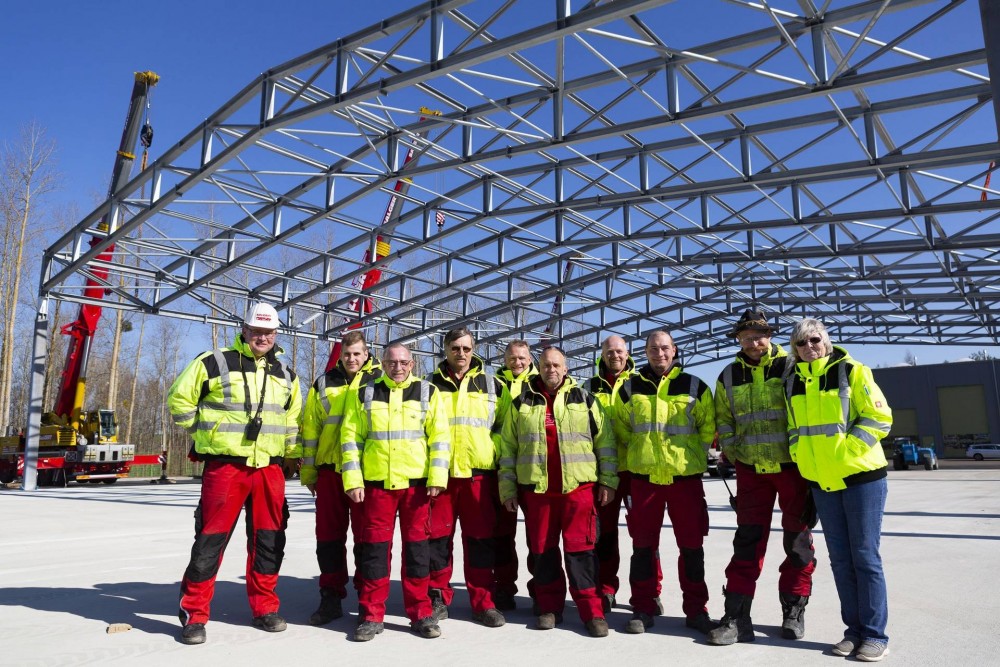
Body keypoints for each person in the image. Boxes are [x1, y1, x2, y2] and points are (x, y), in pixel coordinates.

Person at [167, 302, 302, 646]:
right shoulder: (213, 361)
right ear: (244, 330)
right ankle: (194, 614)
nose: (262, 337)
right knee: (211, 539)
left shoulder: (286, 374)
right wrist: (204, 434)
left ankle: (265, 608)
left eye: (268, 332)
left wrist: (290, 456)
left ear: (276, 334)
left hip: (269, 468)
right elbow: (179, 401)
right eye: (256, 331)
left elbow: (292, 421)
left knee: (269, 541)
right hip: (226, 466)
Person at [784, 319, 892, 662]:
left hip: (862, 479)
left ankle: (875, 635)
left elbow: (879, 418)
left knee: (865, 557)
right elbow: (793, 429)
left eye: (814, 339)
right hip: (823, 484)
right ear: (794, 349)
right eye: (800, 343)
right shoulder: (793, 382)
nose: (808, 347)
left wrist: (844, 454)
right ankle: (854, 631)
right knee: (841, 561)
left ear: (825, 341)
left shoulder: (852, 371)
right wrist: (802, 458)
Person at [708, 309, 816, 646]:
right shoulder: (727, 376)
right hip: (751, 471)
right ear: (738, 340)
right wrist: (732, 447)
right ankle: (738, 618)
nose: (754, 343)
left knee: (797, 544)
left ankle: (793, 610)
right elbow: (723, 418)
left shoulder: (791, 366)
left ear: (769, 336)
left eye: (760, 336)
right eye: (747, 338)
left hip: (791, 470)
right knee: (746, 544)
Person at [498, 346, 617, 638]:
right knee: (543, 553)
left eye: (557, 365)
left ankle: (592, 611)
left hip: (578, 490)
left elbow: (605, 443)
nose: (551, 370)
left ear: (566, 369)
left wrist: (608, 481)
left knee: (582, 552)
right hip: (538, 493)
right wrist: (508, 488)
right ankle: (549, 608)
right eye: (546, 365)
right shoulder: (521, 403)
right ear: (538, 368)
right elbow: (507, 449)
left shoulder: (585, 399)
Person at [340, 342, 451, 642]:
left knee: (417, 552)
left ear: (412, 364)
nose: (397, 367)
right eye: (391, 362)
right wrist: (353, 478)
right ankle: (371, 614)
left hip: (416, 487)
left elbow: (440, 437)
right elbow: (351, 438)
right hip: (377, 486)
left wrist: (438, 475)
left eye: (403, 362)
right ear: (382, 363)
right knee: (375, 552)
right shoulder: (365, 392)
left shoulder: (428, 392)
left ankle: (421, 612)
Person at [613, 330, 716, 636]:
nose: (659, 353)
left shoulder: (694, 385)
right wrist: (639, 455)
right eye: (653, 348)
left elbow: (707, 427)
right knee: (643, 547)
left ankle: (697, 609)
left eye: (664, 348)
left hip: (684, 480)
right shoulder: (630, 389)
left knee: (692, 547)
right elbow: (621, 429)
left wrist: (691, 457)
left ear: (674, 350)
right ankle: (643, 607)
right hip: (644, 481)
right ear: (644, 352)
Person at [426, 328, 509, 627]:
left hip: (478, 475)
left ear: (473, 350)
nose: (461, 353)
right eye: (455, 347)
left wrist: (491, 449)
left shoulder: (493, 385)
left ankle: (483, 603)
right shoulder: (429, 385)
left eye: (466, 348)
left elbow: (505, 428)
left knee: (480, 542)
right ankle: (437, 598)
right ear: (445, 348)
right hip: (442, 476)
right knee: (436, 541)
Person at [300, 331, 381, 625]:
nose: (352, 359)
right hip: (329, 472)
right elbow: (310, 430)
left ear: (366, 353)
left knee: (367, 539)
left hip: (365, 472)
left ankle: (366, 597)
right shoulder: (324, 383)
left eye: (357, 353)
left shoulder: (380, 381)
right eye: (347, 354)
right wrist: (309, 472)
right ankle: (331, 596)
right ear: (341, 354)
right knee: (329, 538)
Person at [586, 335, 637, 614]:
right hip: (601, 470)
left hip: (634, 469)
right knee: (603, 535)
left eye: (619, 351)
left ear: (627, 353)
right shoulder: (589, 387)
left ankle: (648, 592)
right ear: (602, 354)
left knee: (643, 535)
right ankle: (606, 589)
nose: (614, 355)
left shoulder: (639, 382)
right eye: (609, 351)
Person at [493, 340, 537, 609]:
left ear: (530, 358)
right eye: (512, 358)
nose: (517, 363)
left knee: (538, 535)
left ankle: (539, 589)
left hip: (534, 468)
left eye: (521, 358)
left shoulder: (540, 382)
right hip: (504, 468)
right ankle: (504, 587)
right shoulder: (495, 385)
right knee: (502, 533)